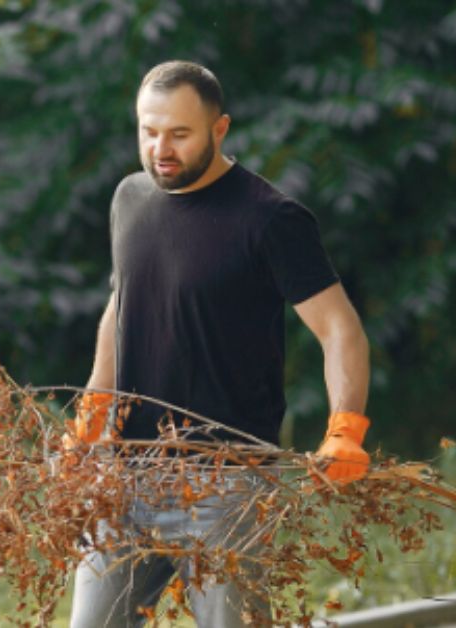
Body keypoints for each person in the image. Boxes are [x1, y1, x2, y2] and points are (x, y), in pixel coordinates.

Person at [69, 61, 371, 627]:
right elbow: (121, 308)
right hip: (125, 475)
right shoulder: (129, 199)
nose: (161, 148)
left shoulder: (270, 219)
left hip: (227, 485)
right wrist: (94, 408)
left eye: (180, 134)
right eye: (148, 131)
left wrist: (345, 428)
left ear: (220, 129)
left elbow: (339, 329)